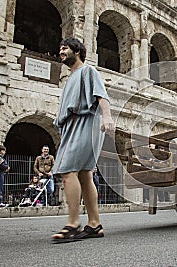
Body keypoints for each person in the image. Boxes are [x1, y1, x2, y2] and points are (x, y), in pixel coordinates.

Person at [51, 37, 114, 243]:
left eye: (65, 48)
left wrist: (107, 117)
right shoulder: (70, 77)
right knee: (85, 174)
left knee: (68, 171)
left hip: (84, 122)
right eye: (60, 48)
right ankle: (94, 224)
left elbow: (101, 96)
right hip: (71, 125)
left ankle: (73, 224)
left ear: (77, 51)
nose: (61, 51)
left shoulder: (88, 71)